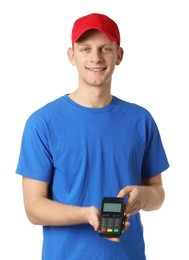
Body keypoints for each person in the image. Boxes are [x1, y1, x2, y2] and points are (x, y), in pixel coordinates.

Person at [16, 13, 169, 260]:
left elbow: (158, 193)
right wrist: (86, 214)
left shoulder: (141, 120)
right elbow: (33, 208)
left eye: (105, 48)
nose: (95, 57)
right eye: (85, 49)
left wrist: (145, 197)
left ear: (118, 55)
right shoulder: (42, 123)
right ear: (71, 55)